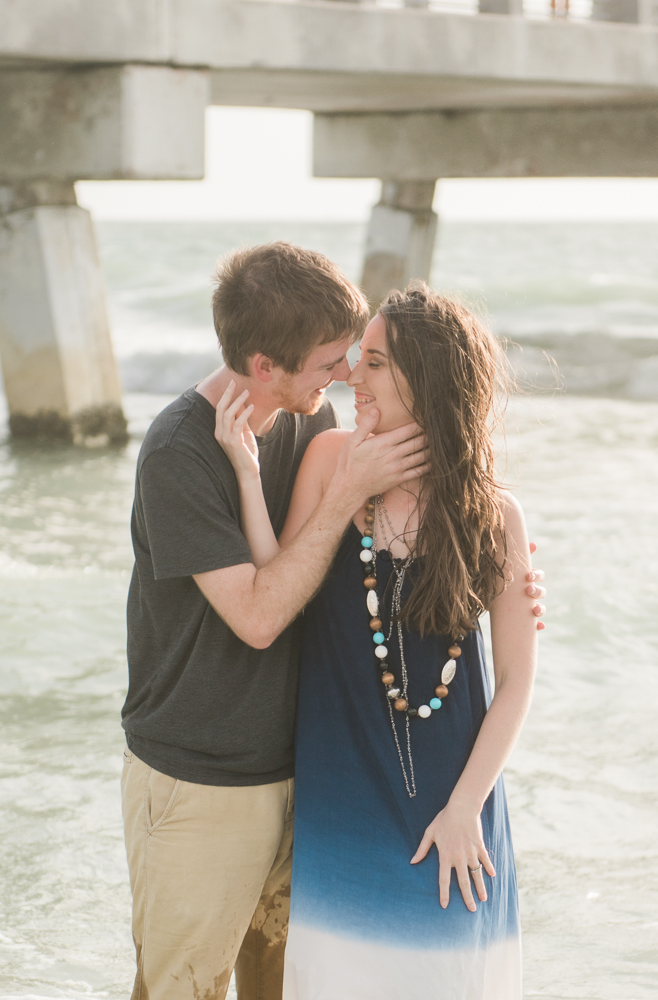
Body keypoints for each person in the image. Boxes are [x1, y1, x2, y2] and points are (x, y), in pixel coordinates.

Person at [215, 282, 542, 999]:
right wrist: (245, 474)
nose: (350, 378)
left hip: (456, 804)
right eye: (355, 360)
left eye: (374, 363)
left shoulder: (494, 515)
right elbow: (279, 585)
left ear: (426, 377)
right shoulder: (332, 460)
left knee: (451, 976)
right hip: (342, 792)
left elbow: (517, 679)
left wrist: (464, 808)